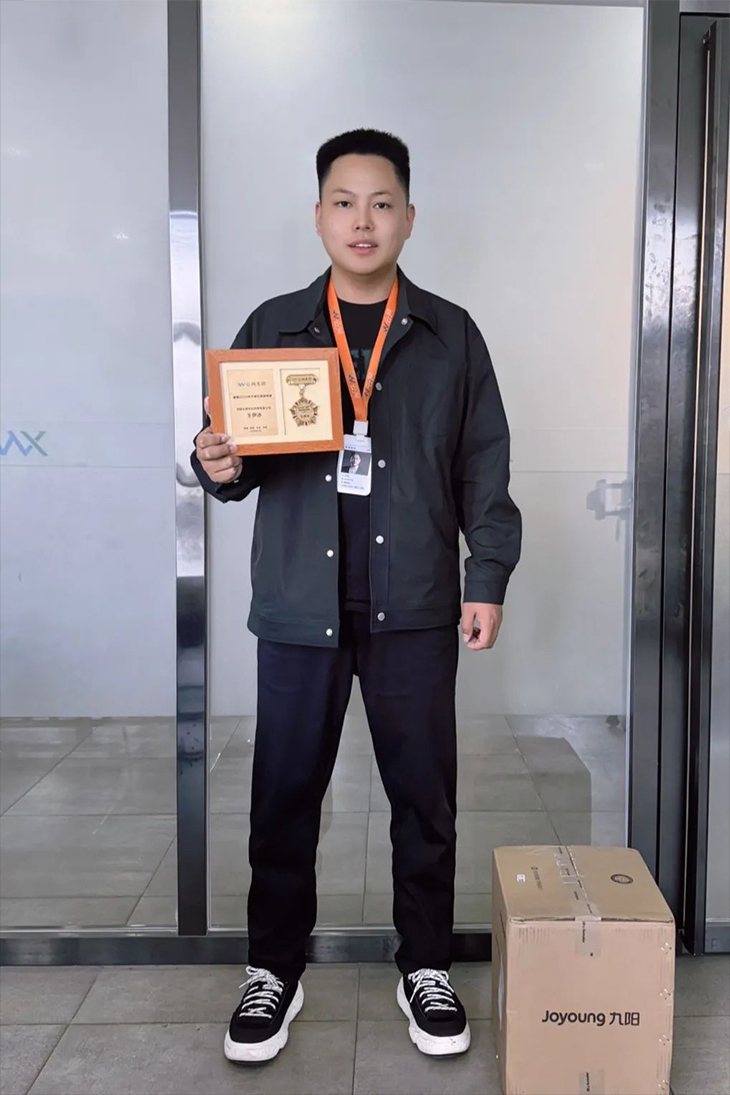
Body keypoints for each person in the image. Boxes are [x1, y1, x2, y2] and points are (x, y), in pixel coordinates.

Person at [191, 129, 522, 1064]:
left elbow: (484, 466)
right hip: (301, 606)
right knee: (283, 796)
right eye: (344, 202)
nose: (363, 220)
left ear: (409, 217)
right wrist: (215, 462)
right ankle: (274, 969)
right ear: (319, 216)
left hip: (413, 603)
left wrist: (486, 577)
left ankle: (426, 965)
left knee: (424, 795)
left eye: (382, 203)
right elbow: (236, 460)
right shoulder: (274, 326)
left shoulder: (451, 334)